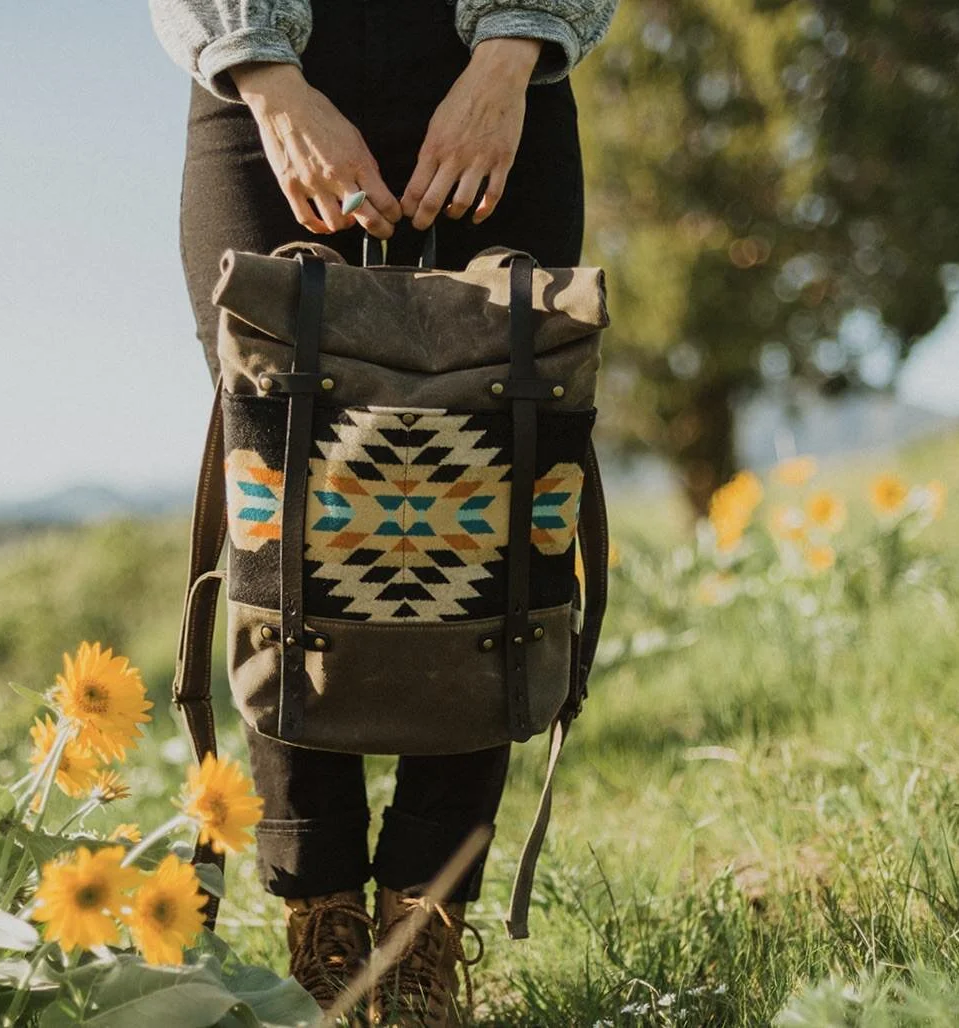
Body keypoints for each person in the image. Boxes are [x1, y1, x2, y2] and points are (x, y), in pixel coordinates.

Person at [151, 0, 615, 1023]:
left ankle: (419, 945)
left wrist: (508, 55)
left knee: (480, 502)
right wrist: (267, 80)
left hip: (498, 67)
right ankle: (321, 938)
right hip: (259, 75)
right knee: (287, 512)